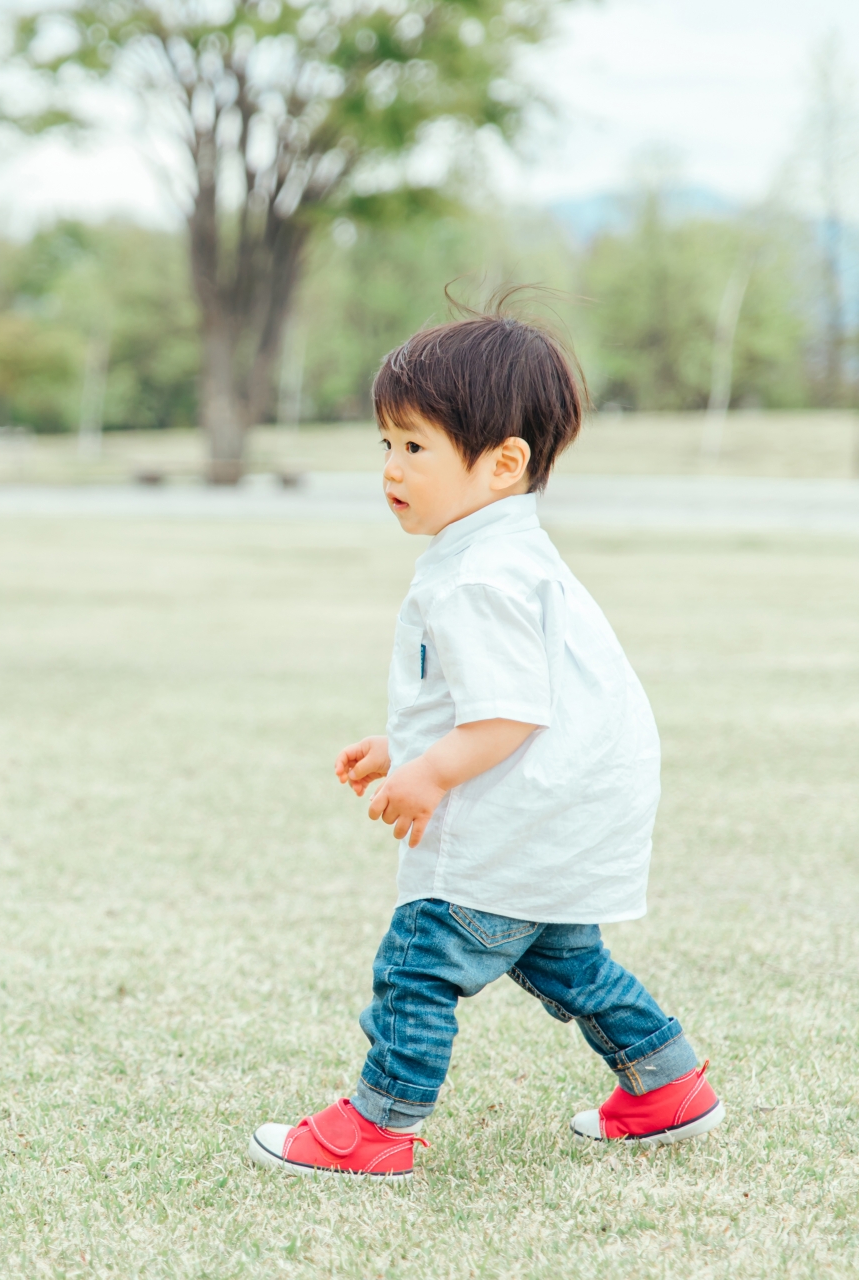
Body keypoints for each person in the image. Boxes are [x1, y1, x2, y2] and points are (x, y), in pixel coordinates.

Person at [248, 304, 722, 1180]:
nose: (391, 469)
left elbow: (508, 714)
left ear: (504, 462)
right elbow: (486, 699)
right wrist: (403, 747)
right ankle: (667, 1085)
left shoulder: (476, 575)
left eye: (416, 448)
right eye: (384, 445)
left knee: (420, 962)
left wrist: (429, 774)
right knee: (566, 959)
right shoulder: (513, 556)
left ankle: (378, 1127)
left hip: (520, 814)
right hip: (562, 809)